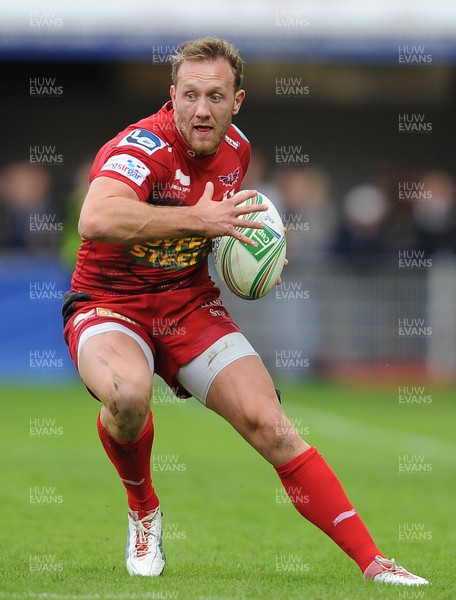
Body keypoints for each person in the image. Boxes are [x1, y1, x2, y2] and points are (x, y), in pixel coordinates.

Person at [62, 37, 428, 586]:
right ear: (172, 97)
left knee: (273, 427)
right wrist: (199, 222)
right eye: (190, 95)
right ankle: (143, 512)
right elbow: (96, 218)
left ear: (238, 101)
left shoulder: (239, 150)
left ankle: (375, 563)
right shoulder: (140, 148)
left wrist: (257, 258)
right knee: (127, 396)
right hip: (112, 302)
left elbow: (225, 226)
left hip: (188, 302)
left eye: (215, 95)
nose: (201, 109)